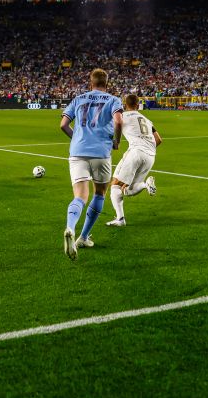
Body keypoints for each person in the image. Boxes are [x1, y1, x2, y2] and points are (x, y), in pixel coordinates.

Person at [59, 68, 123, 261]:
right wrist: (117, 142)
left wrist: (75, 138)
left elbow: (63, 124)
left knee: (80, 196)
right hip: (101, 153)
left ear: (90, 83)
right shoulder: (113, 99)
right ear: (107, 83)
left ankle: (70, 227)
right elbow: (119, 121)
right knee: (99, 193)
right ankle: (83, 237)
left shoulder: (79, 99)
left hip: (77, 152)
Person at [106, 94, 160, 227]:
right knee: (127, 189)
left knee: (115, 186)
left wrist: (117, 141)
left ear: (125, 104)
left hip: (136, 152)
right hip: (151, 155)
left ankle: (120, 219)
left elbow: (117, 124)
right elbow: (159, 139)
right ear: (138, 105)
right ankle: (145, 185)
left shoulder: (122, 116)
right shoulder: (147, 120)